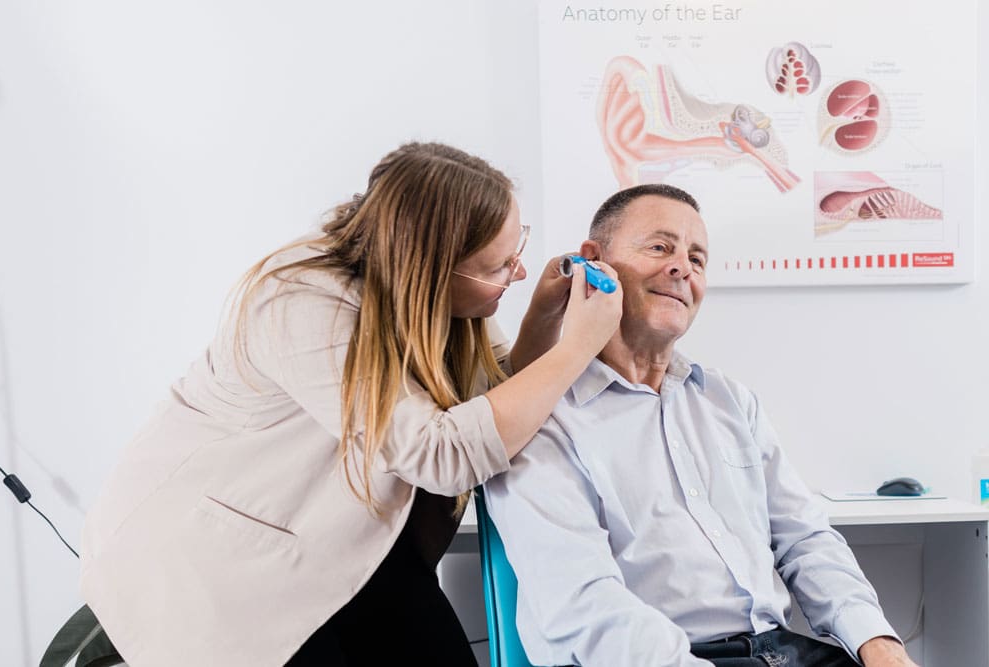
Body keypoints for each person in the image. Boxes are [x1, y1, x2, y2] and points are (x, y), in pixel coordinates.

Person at [78, 142, 622, 667]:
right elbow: (442, 454)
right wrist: (579, 347)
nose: (518, 274)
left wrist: (545, 321)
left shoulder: (435, 293)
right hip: (221, 565)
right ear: (430, 265)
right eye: (499, 265)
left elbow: (493, 403)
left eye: (517, 253)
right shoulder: (298, 302)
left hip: (347, 542)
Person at [484, 184, 919, 666]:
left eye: (697, 258)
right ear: (592, 261)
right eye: (659, 247)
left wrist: (877, 642)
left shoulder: (729, 401)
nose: (682, 268)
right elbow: (582, 602)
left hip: (781, 650)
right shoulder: (538, 417)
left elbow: (805, 540)